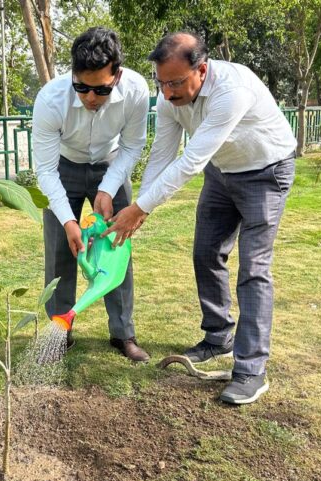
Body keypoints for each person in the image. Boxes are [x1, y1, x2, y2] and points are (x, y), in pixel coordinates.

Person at [106, 32, 296, 403]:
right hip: (223, 173)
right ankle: (218, 336)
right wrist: (143, 205)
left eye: (175, 82)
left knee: (254, 268)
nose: (167, 92)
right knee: (206, 252)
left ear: (202, 69)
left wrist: (140, 207)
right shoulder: (168, 101)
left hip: (266, 172)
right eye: (161, 82)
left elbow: (191, 160)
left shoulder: (232, 89)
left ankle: (251, 370)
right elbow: (162, 154)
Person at [32, 27, 150, 361]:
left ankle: (123, 333)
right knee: (60, 253)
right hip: (63, 167)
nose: (90, 98)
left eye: (100, 89)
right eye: (81, 87)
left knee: (116, 250)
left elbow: (132, 146)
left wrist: (108, 188)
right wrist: (69, 221)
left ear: (118, 75)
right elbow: (44, 170)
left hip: (111, 165)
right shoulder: (50, 99)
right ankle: (60, 333)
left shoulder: (137, 91)